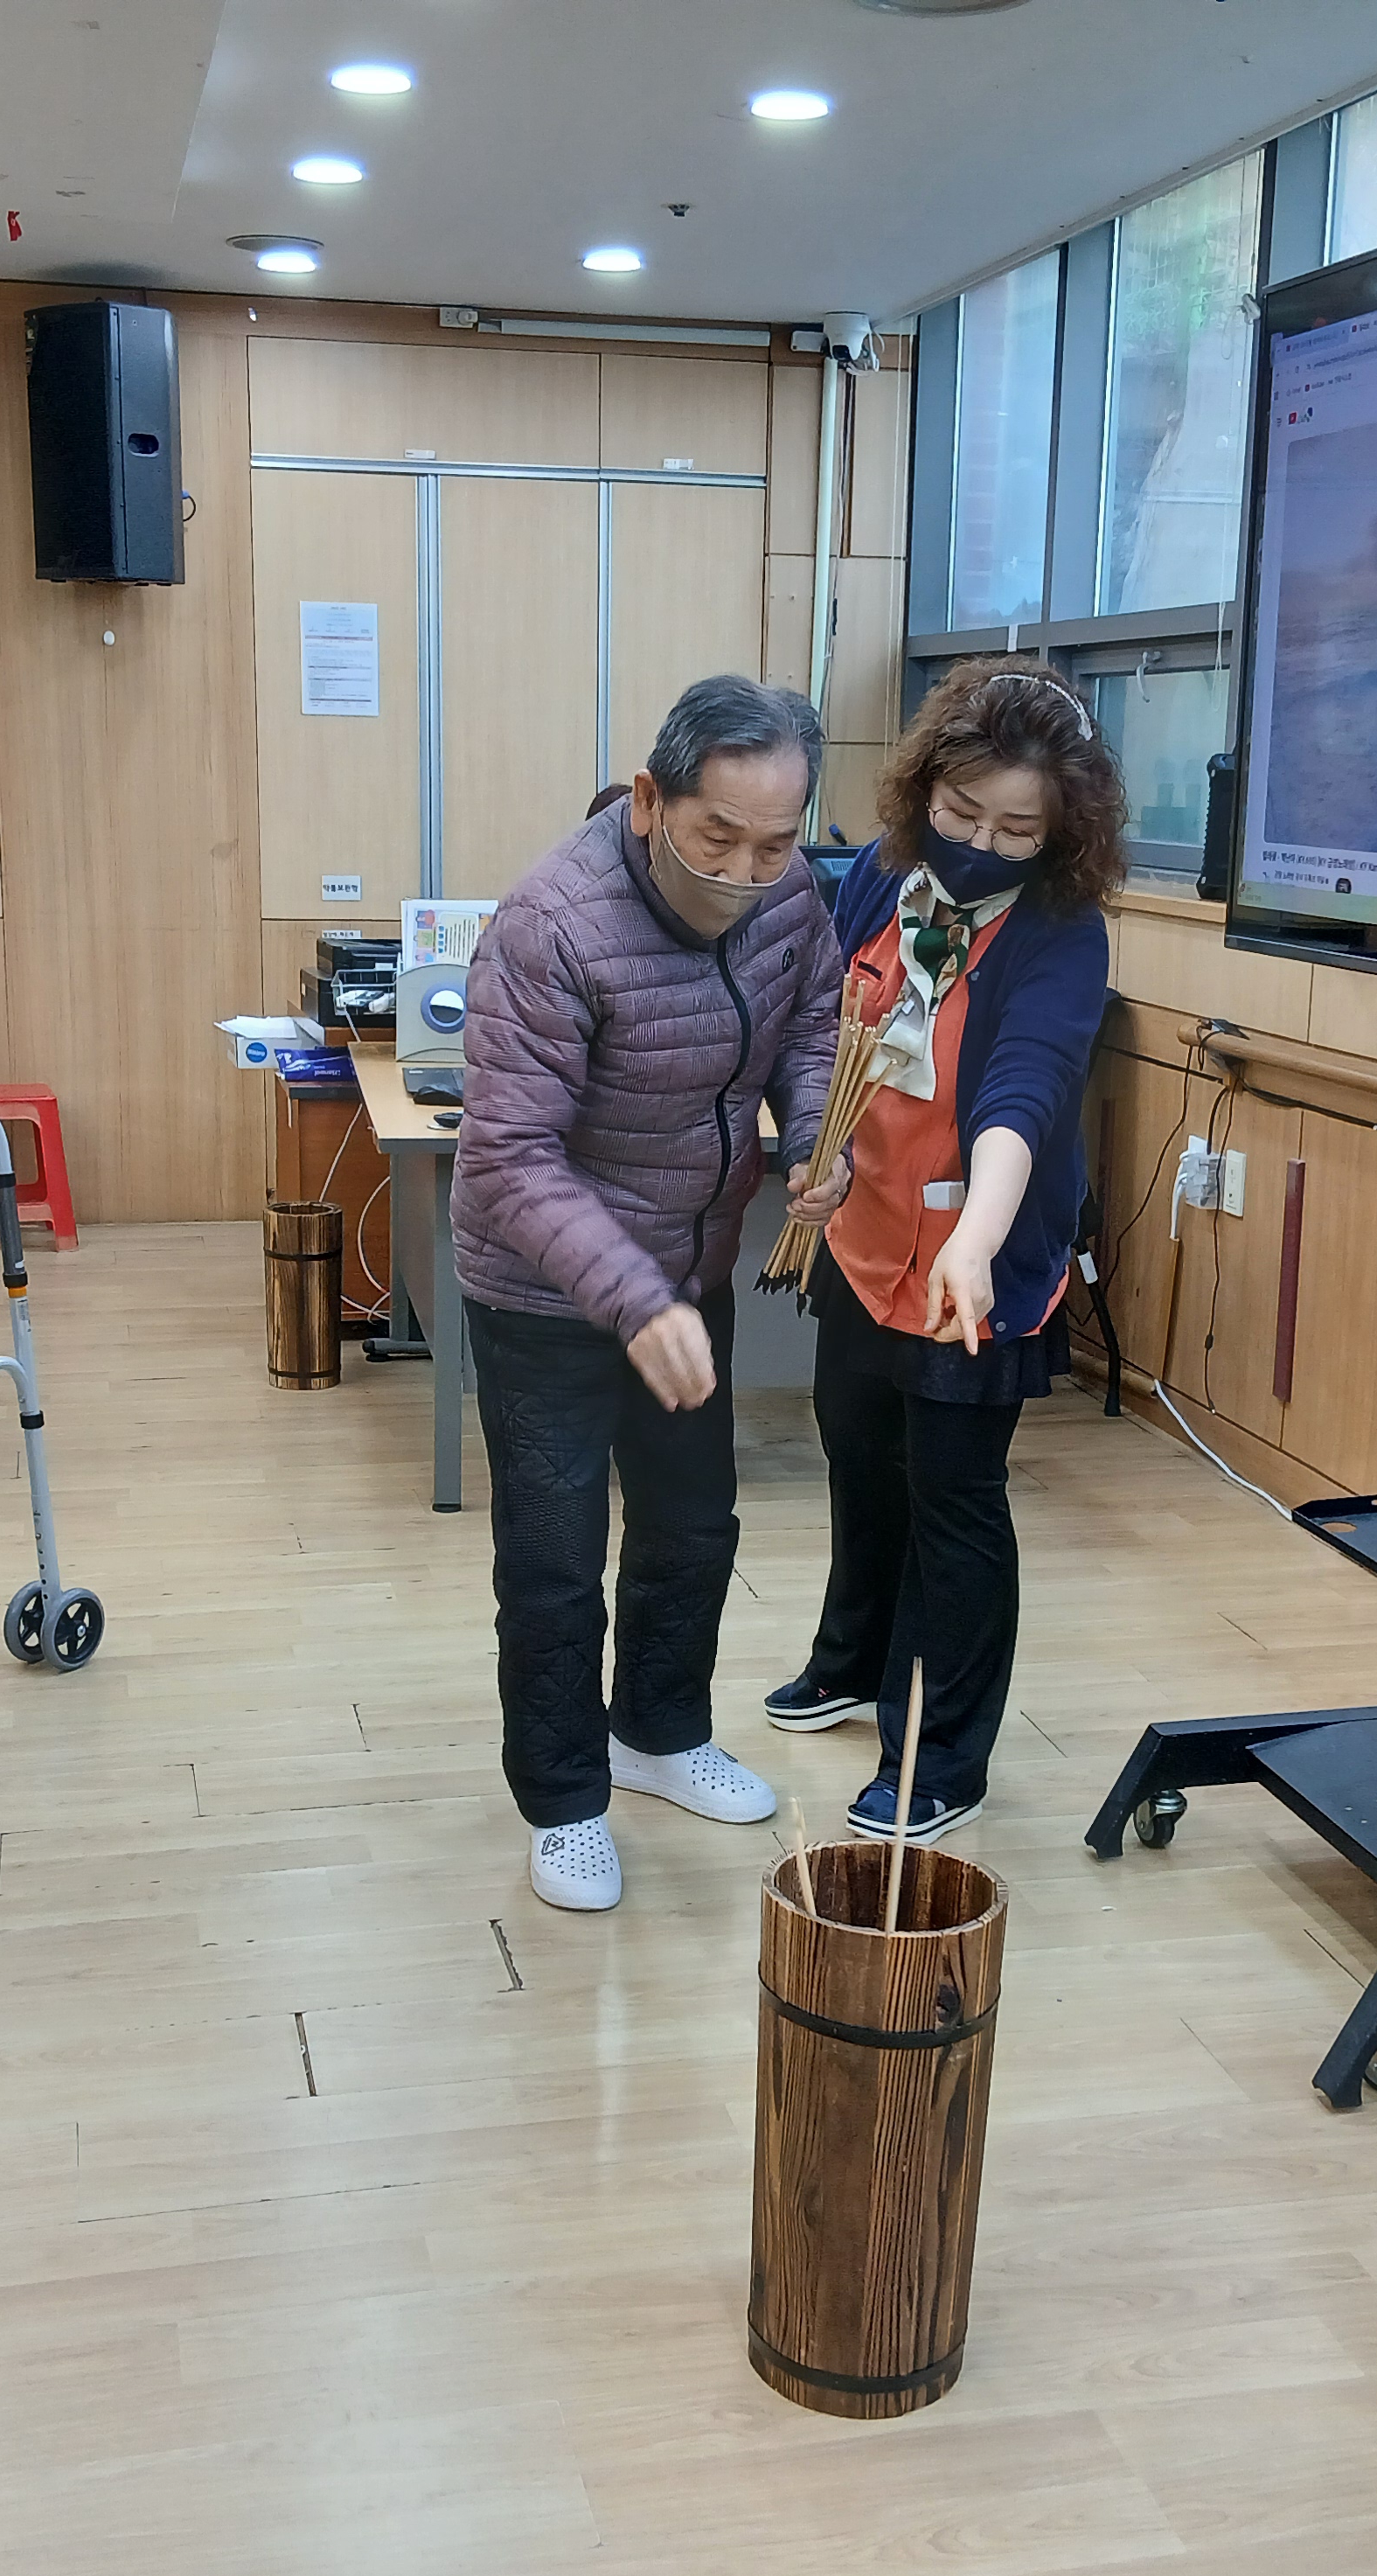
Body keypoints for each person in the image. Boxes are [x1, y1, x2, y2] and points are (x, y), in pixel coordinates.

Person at [455, 676, 842, 1912]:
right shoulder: (550, 926)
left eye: (774, 844)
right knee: (555, 1560)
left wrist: (813, 1139)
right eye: (716, 836)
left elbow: (813, 1026)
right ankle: (565, 1799)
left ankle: (658, 1735)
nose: (745, 871)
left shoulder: (792, 894)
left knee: (692, 1527)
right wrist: (633, 1299)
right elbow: (510, 1157)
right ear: (648, 801)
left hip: (687, 1274)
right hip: (546, 1297)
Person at [765, 658, 1121, 1842]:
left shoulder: (1061, 934)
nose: (981, 844)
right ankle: (849, 1661)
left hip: (977, 1257)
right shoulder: (883, 874)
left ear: (1063, 831)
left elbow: (1026, 1090)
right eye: (964, 813)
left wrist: (976, 1239)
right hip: (863, 1231)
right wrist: (810, 1149)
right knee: (860, 1455)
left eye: (1017, 829)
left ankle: (941, 1757)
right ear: (925, 789)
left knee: (953, 1499)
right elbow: (825, 1025)